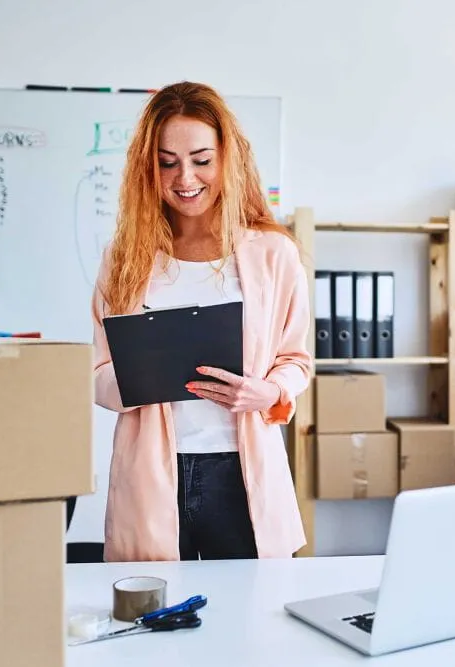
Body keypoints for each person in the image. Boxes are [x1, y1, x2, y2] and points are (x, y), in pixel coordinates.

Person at [90, 81, 312, 562]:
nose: (184, 177)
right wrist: (142, 377)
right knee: (154, 617)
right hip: (153, 474)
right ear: (147, 168)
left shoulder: (273, 252)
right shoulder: (124, 257)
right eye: (166, 162)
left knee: (252, 622)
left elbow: (296, 359)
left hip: (242, 475)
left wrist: (269, 391)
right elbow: (98, 372)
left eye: (201, 159)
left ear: (226, 159)